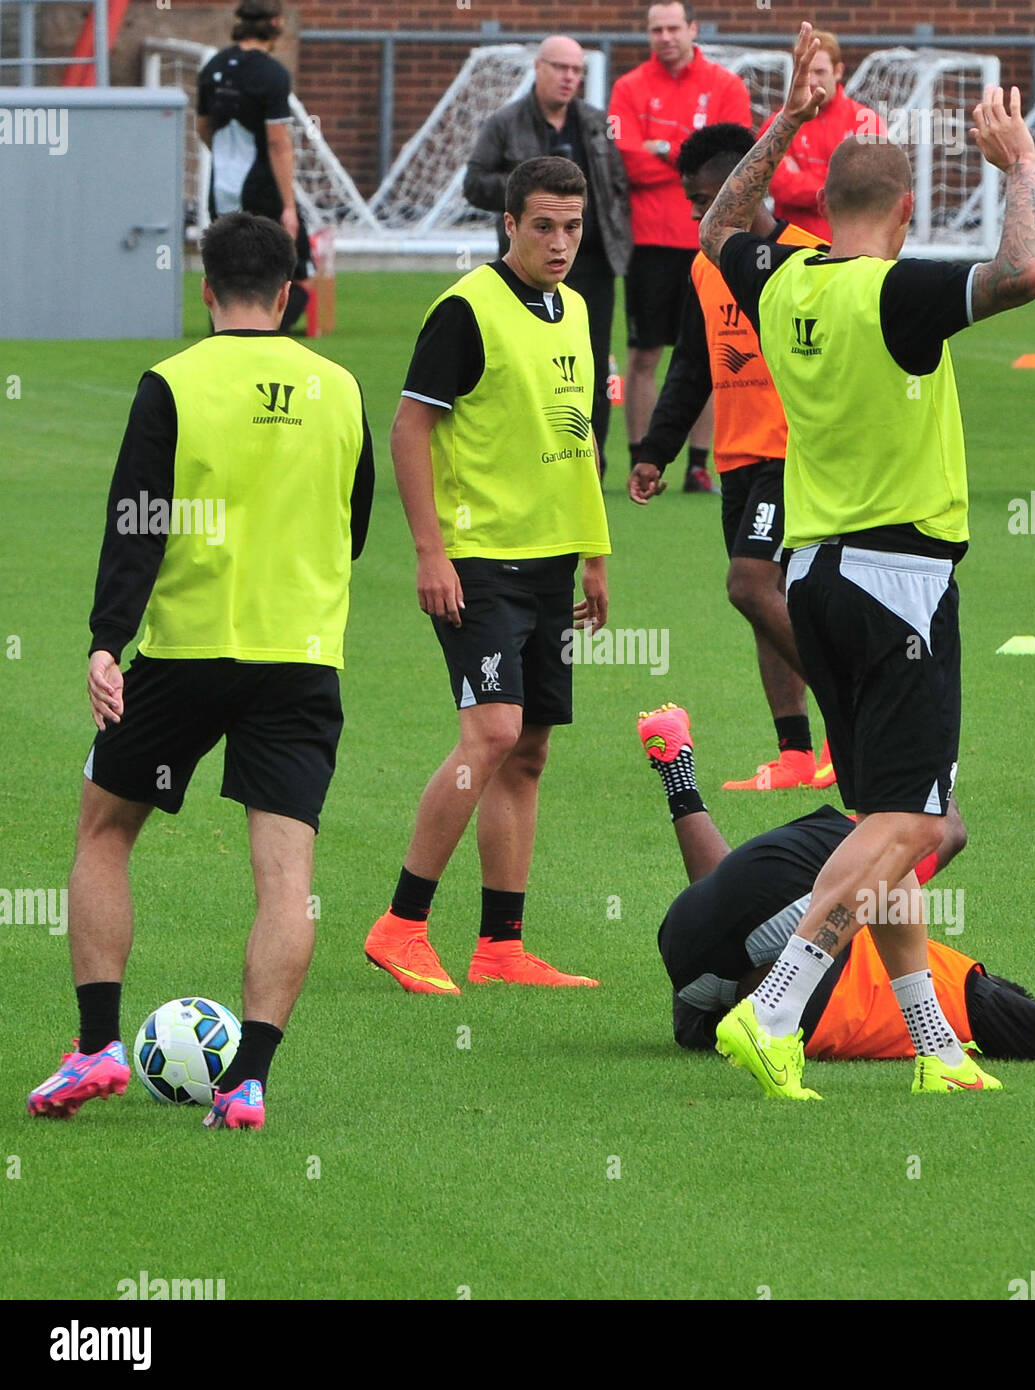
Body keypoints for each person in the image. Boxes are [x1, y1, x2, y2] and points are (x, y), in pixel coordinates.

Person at [697, 24, 1035, 1099]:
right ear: (904, 213)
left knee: (879, 820)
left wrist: (792, 117)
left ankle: (934, 1048)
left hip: (814, 575)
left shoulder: (785, 279)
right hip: (899, 581)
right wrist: (1020, 166)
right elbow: (1024, 270)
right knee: (912, 820)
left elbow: (719, 223)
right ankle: (775, 1008)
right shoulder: (894, 297)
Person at [27, 212, 375, 1131]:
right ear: (293, 293)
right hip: (301, 660)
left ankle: (97, 1045)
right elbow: (356, 526)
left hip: (184, 652)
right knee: (284, 876)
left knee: (104, 831)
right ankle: (249, 1081)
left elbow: (135, 522)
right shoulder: (341, 388)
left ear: (206, 289)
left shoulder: (172, 383)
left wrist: (109, 640)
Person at [366, 156, 610, 996]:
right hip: (478, 561)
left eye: (572, 226)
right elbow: (406, 429)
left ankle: (500, 946)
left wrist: (594, 553)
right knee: (493, 733)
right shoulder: (466, 309)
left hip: (549, 560)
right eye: (542, 225)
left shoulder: (575, 307)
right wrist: (430, 551)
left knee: (530, 750)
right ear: (508, 224)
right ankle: (399, 926)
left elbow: (576, 437)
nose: (559, 242)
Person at [637, 705, 1035, 1071]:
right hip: (698, 989)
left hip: (765, 977)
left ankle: (885, 733)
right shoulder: (938, 977)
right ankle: (681, 776)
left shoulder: (966, 991)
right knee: (773, 905)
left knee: (927, 835)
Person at [629, 122, 834, 791]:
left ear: (751, 184)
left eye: (708, 197)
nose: (698, 213)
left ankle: (851, 714)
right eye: (692, 201)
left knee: (749, 585)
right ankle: (795, 754)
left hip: (794, 455)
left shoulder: (813, 259)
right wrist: (655, 450)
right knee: (761, 602)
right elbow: (692, 363)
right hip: (736, 459)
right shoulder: (702, 264)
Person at [464, 35, 632, 479]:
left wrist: (615, 231)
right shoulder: (505, 122)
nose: (568, 78)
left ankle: (592, 463)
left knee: (593, 363)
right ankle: (529, 453)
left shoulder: (596, 122)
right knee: (527, 362)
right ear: (538, 68)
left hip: (592, 261)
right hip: (527, 266)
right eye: (560, 68)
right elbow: (473, 182)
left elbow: (616, 183)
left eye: (576, 71)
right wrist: (531, 196)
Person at [609, 1, 752, 493]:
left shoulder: (727, 86)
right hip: (649, 241)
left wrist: (660, 149)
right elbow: (625, 162)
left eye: (673, 27)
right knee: (644, 353)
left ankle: (697, 464)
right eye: (655, 29)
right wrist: (683, 154)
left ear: (693, 29)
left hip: (712, 243)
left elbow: (733, 161)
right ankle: (641, 455)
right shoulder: (629, 88)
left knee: (714, 350)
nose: (665, 36)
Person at [197, 0, 312, 332]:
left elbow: (203, 127)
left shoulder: (214, 67)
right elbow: (278, 142)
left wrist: (223, 159)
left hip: (221, 187)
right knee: (291, 263)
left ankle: (223, 328)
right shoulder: (272, 74)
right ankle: (264, 329)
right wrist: (288, 206)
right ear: (276, 23)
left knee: (229, 261)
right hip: (262, 185)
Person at [756, 30, 886, 242]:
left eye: (820, 72)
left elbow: (865, 187)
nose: (813, 81)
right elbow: (780, 187)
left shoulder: (865, 121)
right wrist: (836, 177)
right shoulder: (777, 124)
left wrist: (801, 175)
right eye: (806, 72)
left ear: (838, 71)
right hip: (790, 250)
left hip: (850, 248)